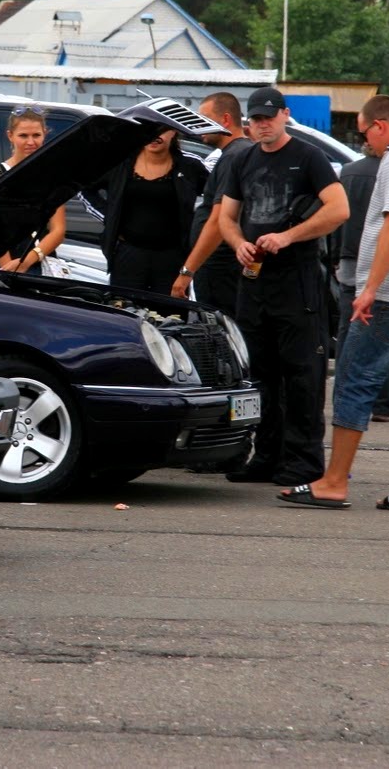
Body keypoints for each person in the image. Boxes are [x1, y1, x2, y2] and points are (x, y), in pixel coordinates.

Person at [278, 94, 389, 511]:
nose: (365, 145)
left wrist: (370, 287)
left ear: (379, 125)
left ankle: (334, 482)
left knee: (354, 378)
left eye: (363, 134)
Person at [218, 86, 348, 486]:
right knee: (260, 375)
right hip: (255, 283)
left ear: (285, 115)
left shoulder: (308, 157)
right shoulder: (244, 159)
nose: (262, 125)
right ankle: (267, 455)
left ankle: (304, 461)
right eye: (256, 119)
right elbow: (226, 217)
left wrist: (289, 236)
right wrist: (239, 243)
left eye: (269, 117)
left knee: (303, 374)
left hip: (297, 280)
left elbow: (339, 209)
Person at [90, 125, 206, 294]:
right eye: (149, 130)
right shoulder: (121, 163)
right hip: (128, 254)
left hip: (172, 258)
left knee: (170, 316)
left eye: (161, 130)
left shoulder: (189, 166)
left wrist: (198, 224)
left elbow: (216, 200)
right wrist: (110, 217)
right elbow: (86, 188)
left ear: (174, 132)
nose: (155, 136)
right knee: (124, 310)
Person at [328, 138, 389, 423]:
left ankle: (342, 396)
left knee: (348, 331)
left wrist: (334, 254)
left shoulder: (347, 172)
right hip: (381, 261)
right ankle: (382, 403)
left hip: (349, 260)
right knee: (383, 334)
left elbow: (335, 216)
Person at [173, 92, 251, 311]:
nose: (199, 125)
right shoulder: (236, 153)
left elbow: (219, 220)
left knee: (219, 330)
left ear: (225, 119)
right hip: (221, 267)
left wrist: (187, 272)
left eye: (204, 118)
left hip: (220, 267)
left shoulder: (234, 156)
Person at [0, 105, 67, 274]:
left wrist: (26, 262)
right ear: (10, 136)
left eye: (36, 135)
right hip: (2, 264)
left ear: (45, 134)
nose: (30, 142)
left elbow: (58, 229)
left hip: (40, 261)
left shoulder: (54, 175)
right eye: (23, 136)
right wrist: (8, 267)